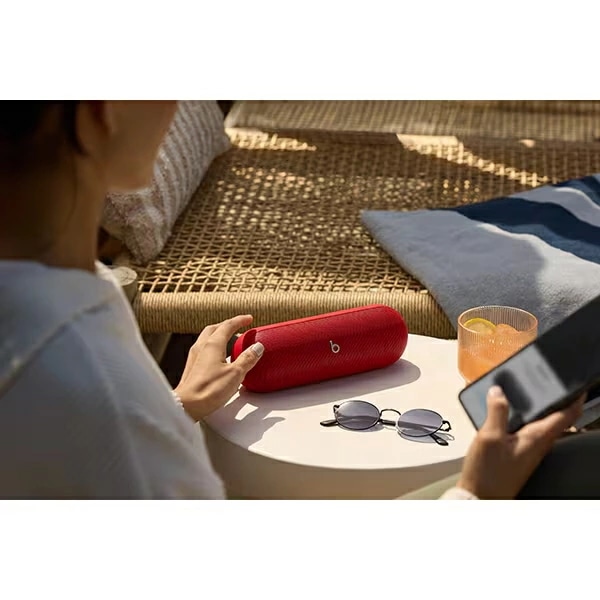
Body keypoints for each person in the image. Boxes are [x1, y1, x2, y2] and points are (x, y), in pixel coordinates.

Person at [0, 101, 591, 499]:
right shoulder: (84, 374)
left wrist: (174, 409)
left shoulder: (56, 310)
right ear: (100, 113)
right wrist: (475, 496)